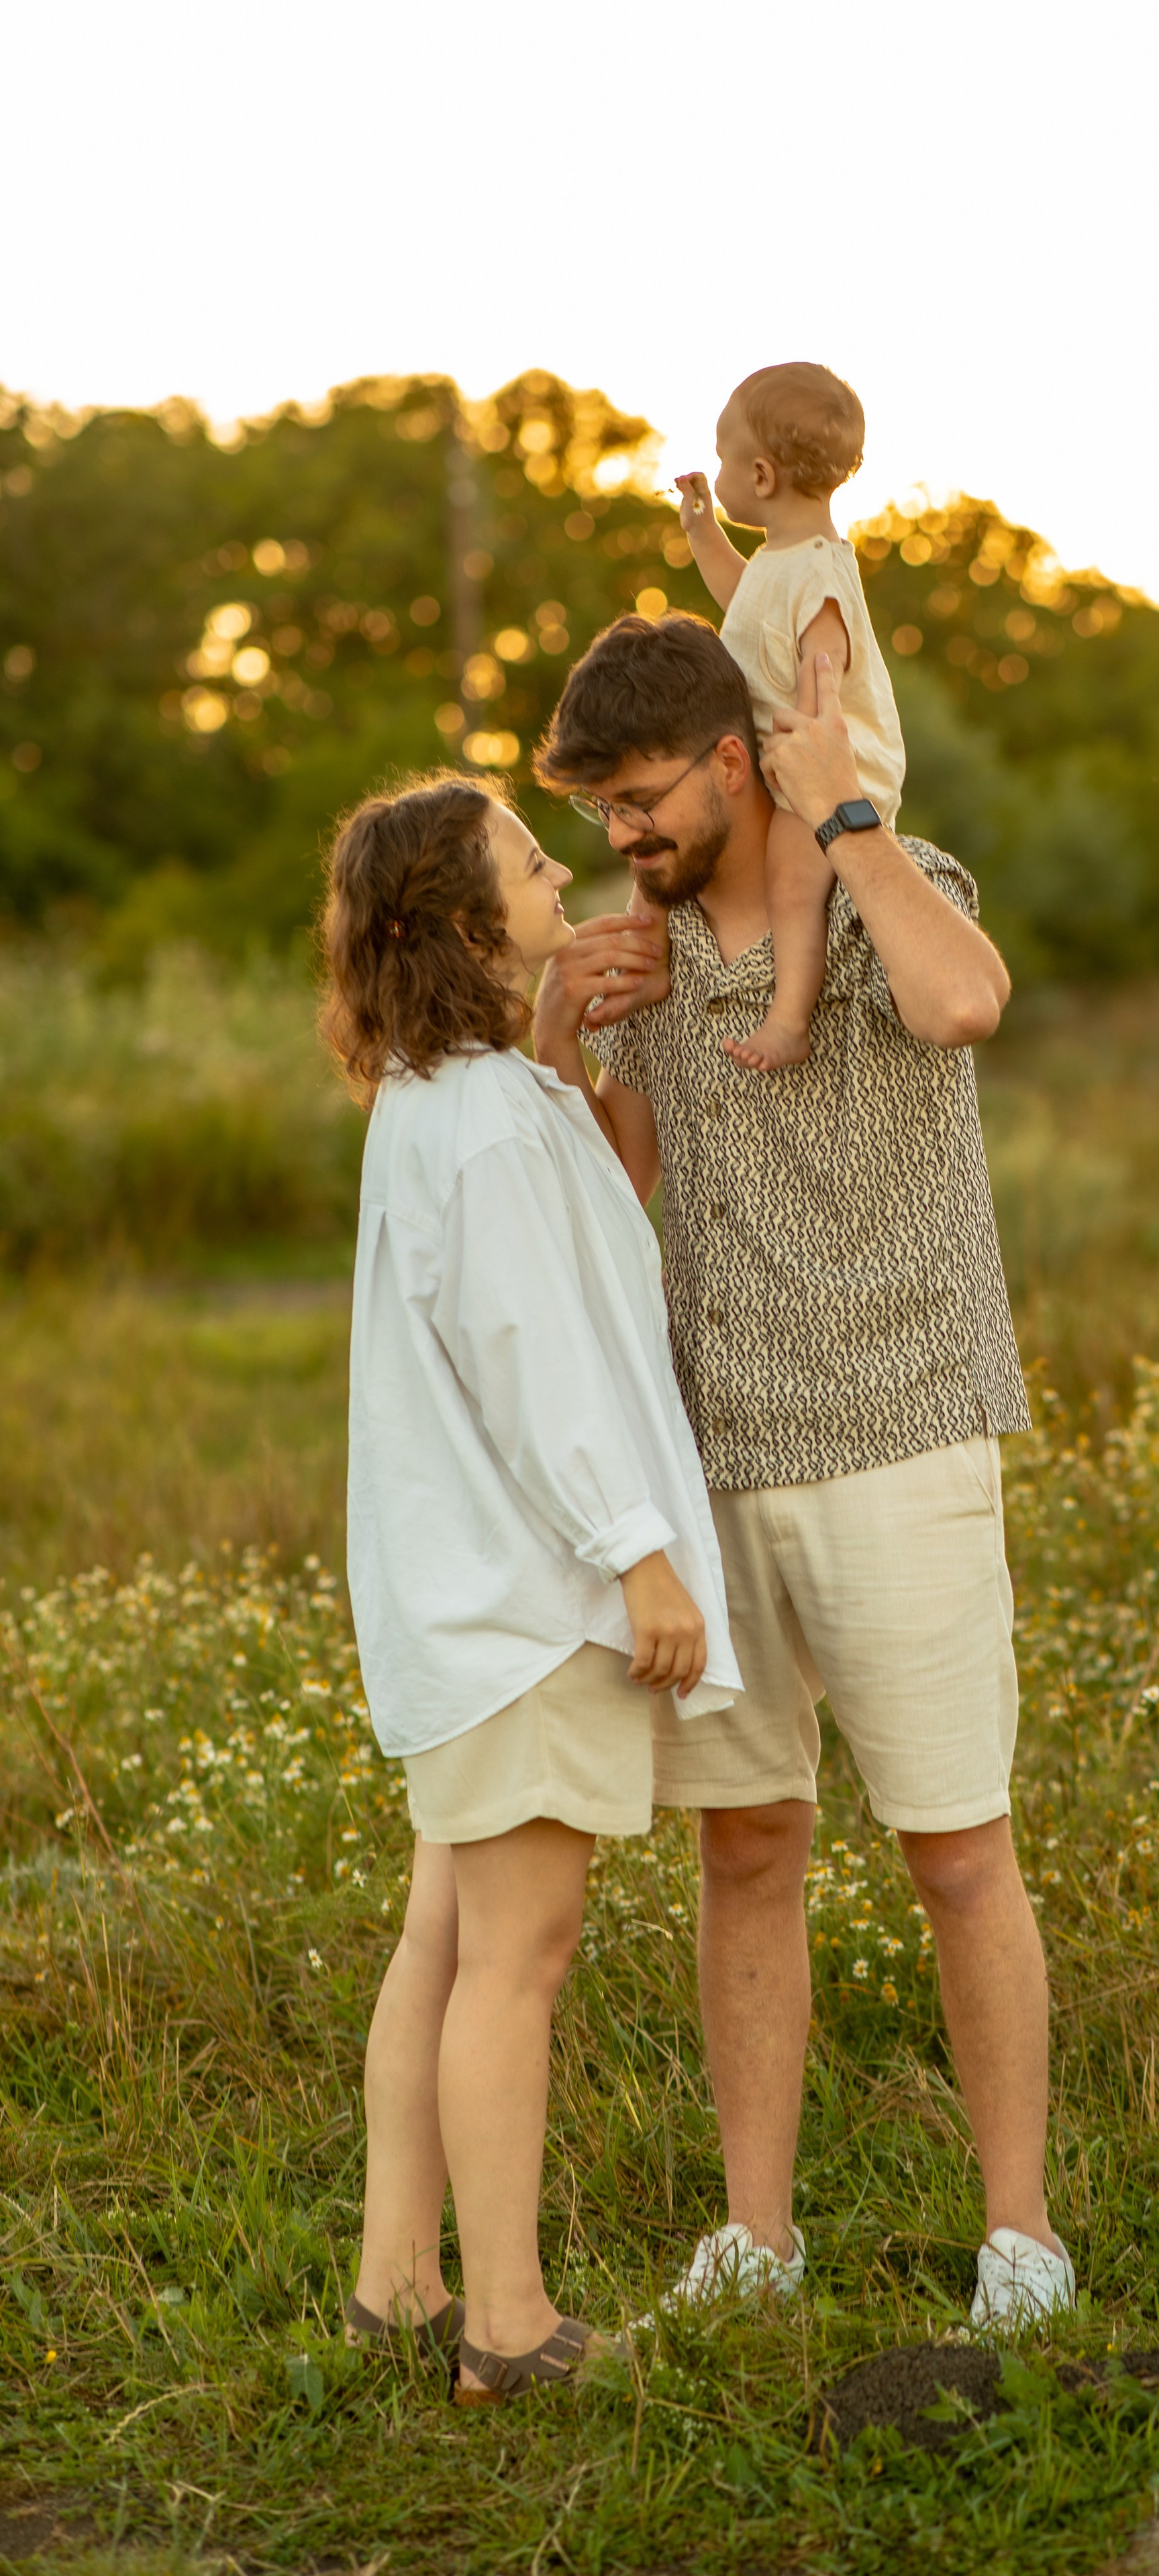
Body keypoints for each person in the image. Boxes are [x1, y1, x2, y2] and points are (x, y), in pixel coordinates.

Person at [534, 612, 1075, 2327]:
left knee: (954, 1851)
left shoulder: (885, 876)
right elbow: (601, 1190)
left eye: (636, 797)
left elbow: (966, 1001)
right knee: (747, 1850)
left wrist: (843, 814)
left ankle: (1021, 2238)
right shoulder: (652, 954)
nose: (619, 835)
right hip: (716, 1457)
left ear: (730, 756)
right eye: (598, 809)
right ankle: (754, 2239)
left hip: (902, 1429)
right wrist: (562, 1028)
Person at [319, 770, 741, 2401]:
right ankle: (505, 2321)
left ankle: (396, 2276)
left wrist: (563, 1030)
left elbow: (567, 1233)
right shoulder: (483, 1121)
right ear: (452, 919)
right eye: (522, 858)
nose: (557, 866)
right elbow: (535, 1356)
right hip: (519, 1597)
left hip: (462, 1593)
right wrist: (638, 1549)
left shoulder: (454, 1092)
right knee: (520, 1949)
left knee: (444, 1934)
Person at [665, 360, 905, 1073]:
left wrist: (807, 774)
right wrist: (704, 532)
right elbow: (743, 602)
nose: (719, 471)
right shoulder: (780, 559)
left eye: (724, 459)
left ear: (762, 476)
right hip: (793, 760)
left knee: (794, 879)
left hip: (830, 770)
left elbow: (821, 672)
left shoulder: (822, 574)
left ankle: (790, 1019)